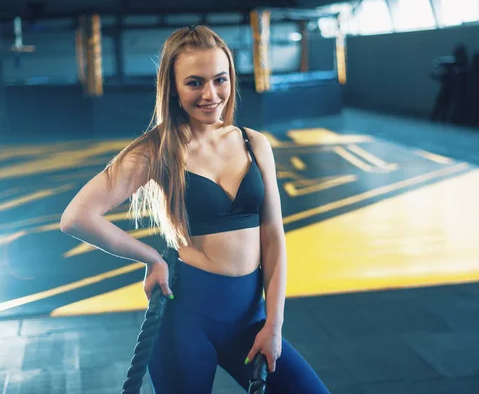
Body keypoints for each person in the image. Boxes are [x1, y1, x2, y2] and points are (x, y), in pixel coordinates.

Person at [60, 25, 330, 393]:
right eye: (195, 83)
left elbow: (273, 237)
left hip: (251, 320)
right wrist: (152, 258)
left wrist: (274, 325)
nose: (210, 94)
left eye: (220, 80)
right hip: (185, 321)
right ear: (172, 87)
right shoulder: (156, 150)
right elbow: (77, 217)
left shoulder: (254, 143)